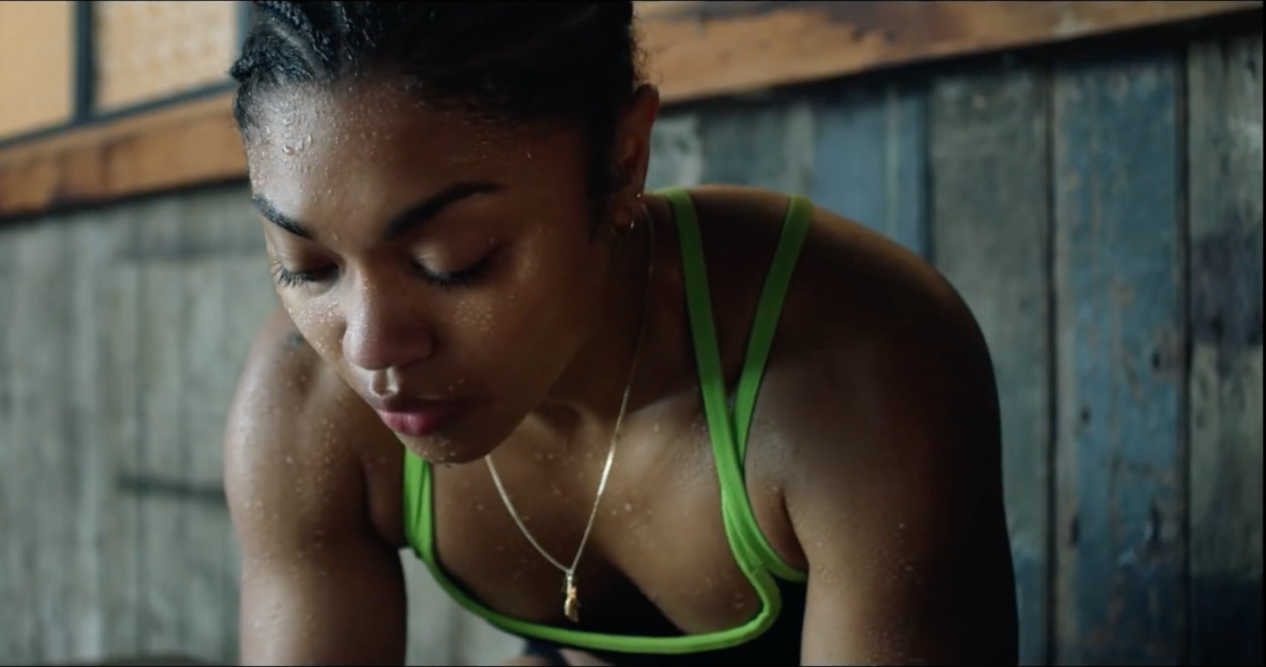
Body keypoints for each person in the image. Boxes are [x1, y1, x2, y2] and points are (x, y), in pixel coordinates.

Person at [221, 2, 1018, 665]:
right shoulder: (309, 401)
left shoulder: (859, 366)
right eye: (308, 265)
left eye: (454, 262)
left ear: (623, 157)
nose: (369, 348)